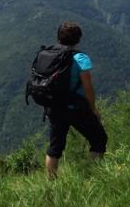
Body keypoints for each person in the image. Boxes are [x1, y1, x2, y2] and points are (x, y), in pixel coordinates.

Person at [45, 21, 108, 178]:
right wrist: (93, 108)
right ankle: (91, 178)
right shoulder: (81, 58)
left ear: (58, 37)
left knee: (55, 147)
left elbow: (46, 84)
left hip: (54, 106)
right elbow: (88, 88)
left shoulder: (49, 55)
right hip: (74, 108)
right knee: (99, 138)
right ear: (78, 39)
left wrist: (47, 107)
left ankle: (51, 183)